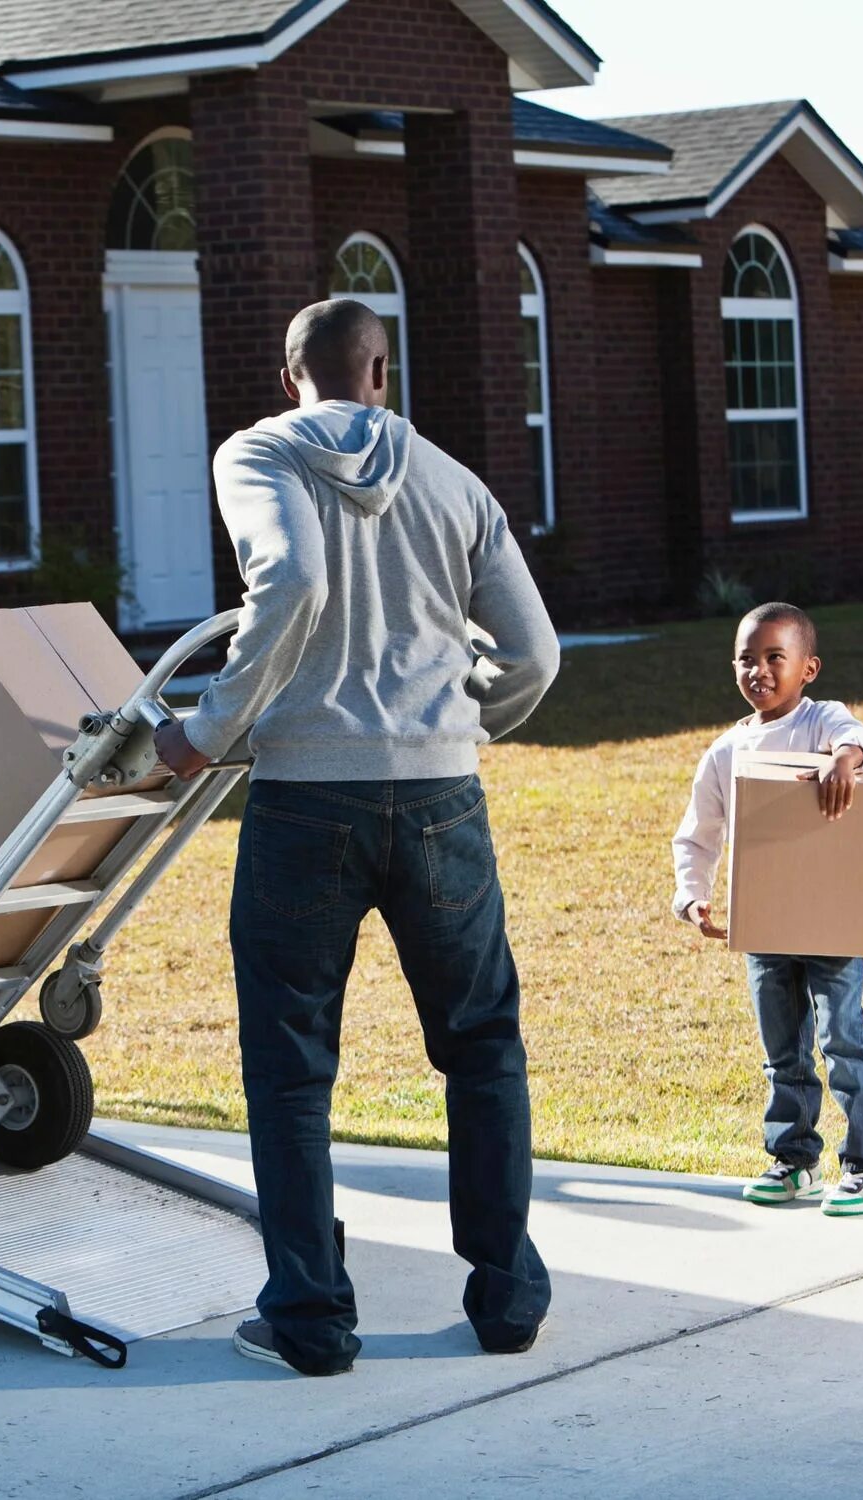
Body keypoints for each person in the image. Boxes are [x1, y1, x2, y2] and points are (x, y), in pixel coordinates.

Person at [152, 300, 560, 1376]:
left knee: (289, 1068)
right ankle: (507, 1297)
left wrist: (205, 730)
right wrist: (461, 721)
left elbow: (288, 581)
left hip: (304, 805)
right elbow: (534, 657)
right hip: (441, 801)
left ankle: (309, 1318)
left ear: (291, 377)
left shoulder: (257, 454)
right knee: (480, 1048)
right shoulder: (456, 484)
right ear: (379, 368)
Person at [671, 601, 863, 1216]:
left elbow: (858, 738)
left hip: (830, 921)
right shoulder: (725, 752)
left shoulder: (821, 723)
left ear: (808, 668)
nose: (760, 670)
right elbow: (698, 833)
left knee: (843, 1042)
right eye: (748, 658)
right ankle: (794, 1160)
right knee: (783, 1052)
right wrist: (692, 897)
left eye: (776, 657)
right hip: (765, 926)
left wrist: (842, 761)